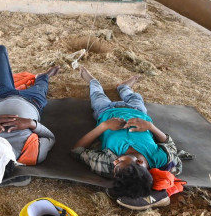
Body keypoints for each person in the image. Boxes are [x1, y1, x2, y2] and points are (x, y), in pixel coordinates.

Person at [71, 66, 181, 204]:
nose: (115, 162)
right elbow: (170, 145)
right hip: (138, 112)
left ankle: (93, 81)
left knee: (97, 95)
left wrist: (103, 126)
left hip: (105, 111)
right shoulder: (158, 158)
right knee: (134, 97)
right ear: (140, 162)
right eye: (121, 162)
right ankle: (123, 87)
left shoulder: (106, 165)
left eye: (115, 168)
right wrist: (150, 127)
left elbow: (76, 151)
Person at [0, 45, 59, 183]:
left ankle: (38, 79)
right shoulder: (30, 155)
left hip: (0, 96)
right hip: (34, 102)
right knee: (42, 84)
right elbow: (50, 138)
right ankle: (44, 76)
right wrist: (31, 124)